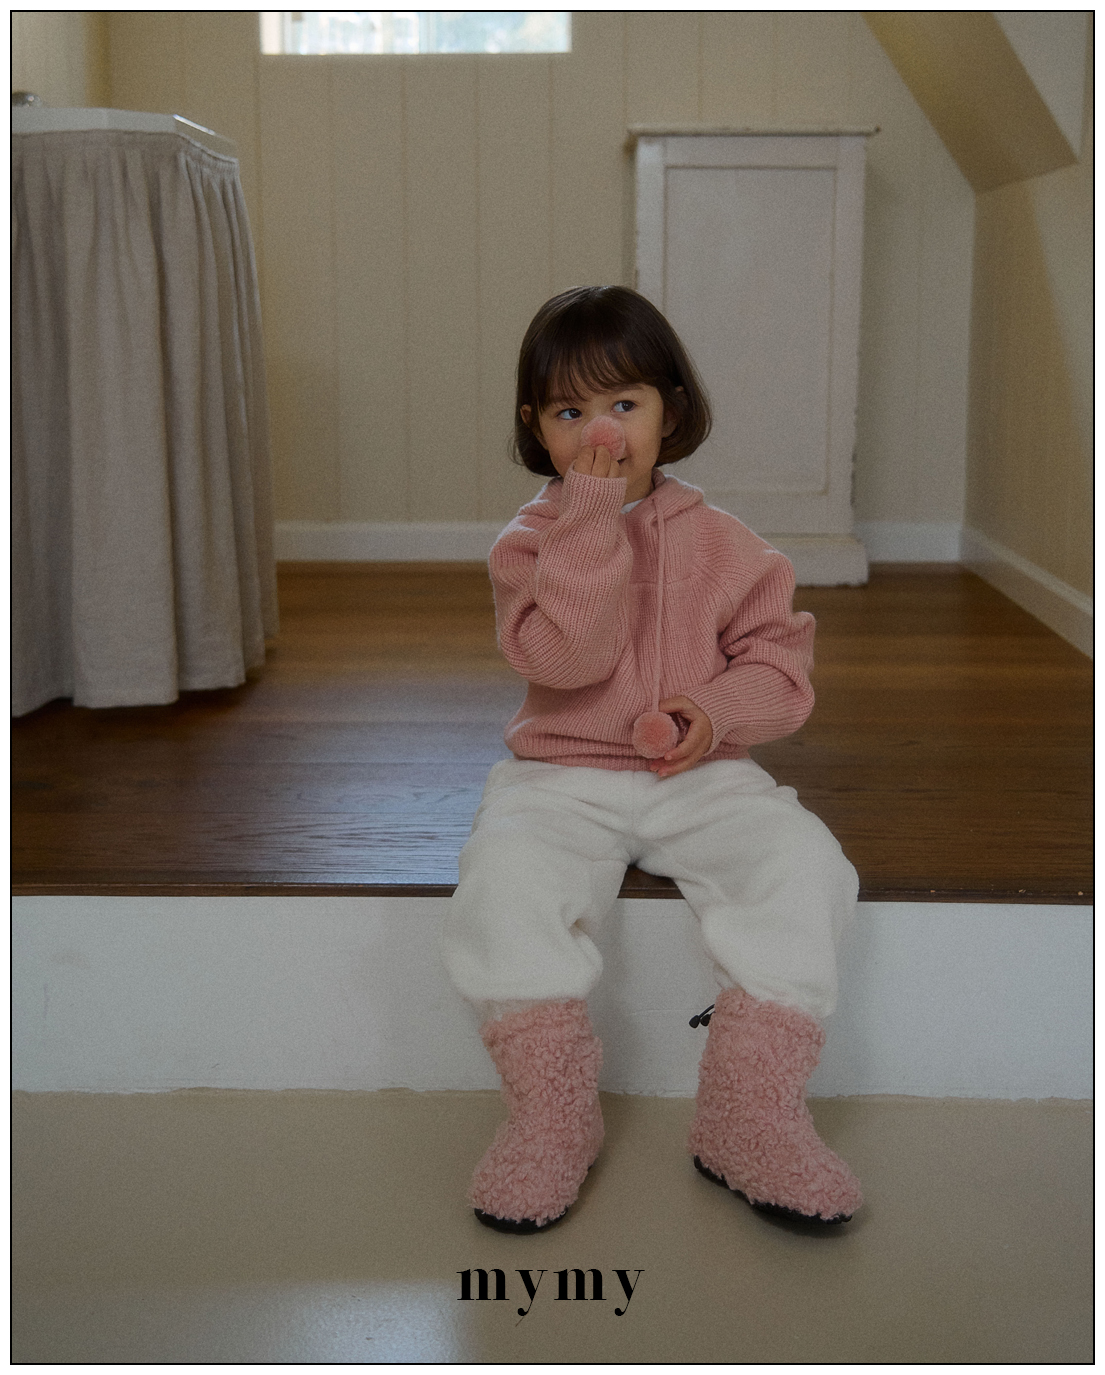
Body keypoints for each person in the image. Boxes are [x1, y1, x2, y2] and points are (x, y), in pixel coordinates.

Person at [441, 285, 862, 1233]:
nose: (600, 433)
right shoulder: (527, 547)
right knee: (501, 884)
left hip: (701, 775)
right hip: (559, 775)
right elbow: (567, 660)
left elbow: (780, 669)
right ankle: (551, 1116)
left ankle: (748, 1115)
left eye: (622, 404)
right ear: (534, 427)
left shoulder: (728, 546)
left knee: (803, 866)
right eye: (569, 412)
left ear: (668, 411)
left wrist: (714, 710)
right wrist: (589, 520)